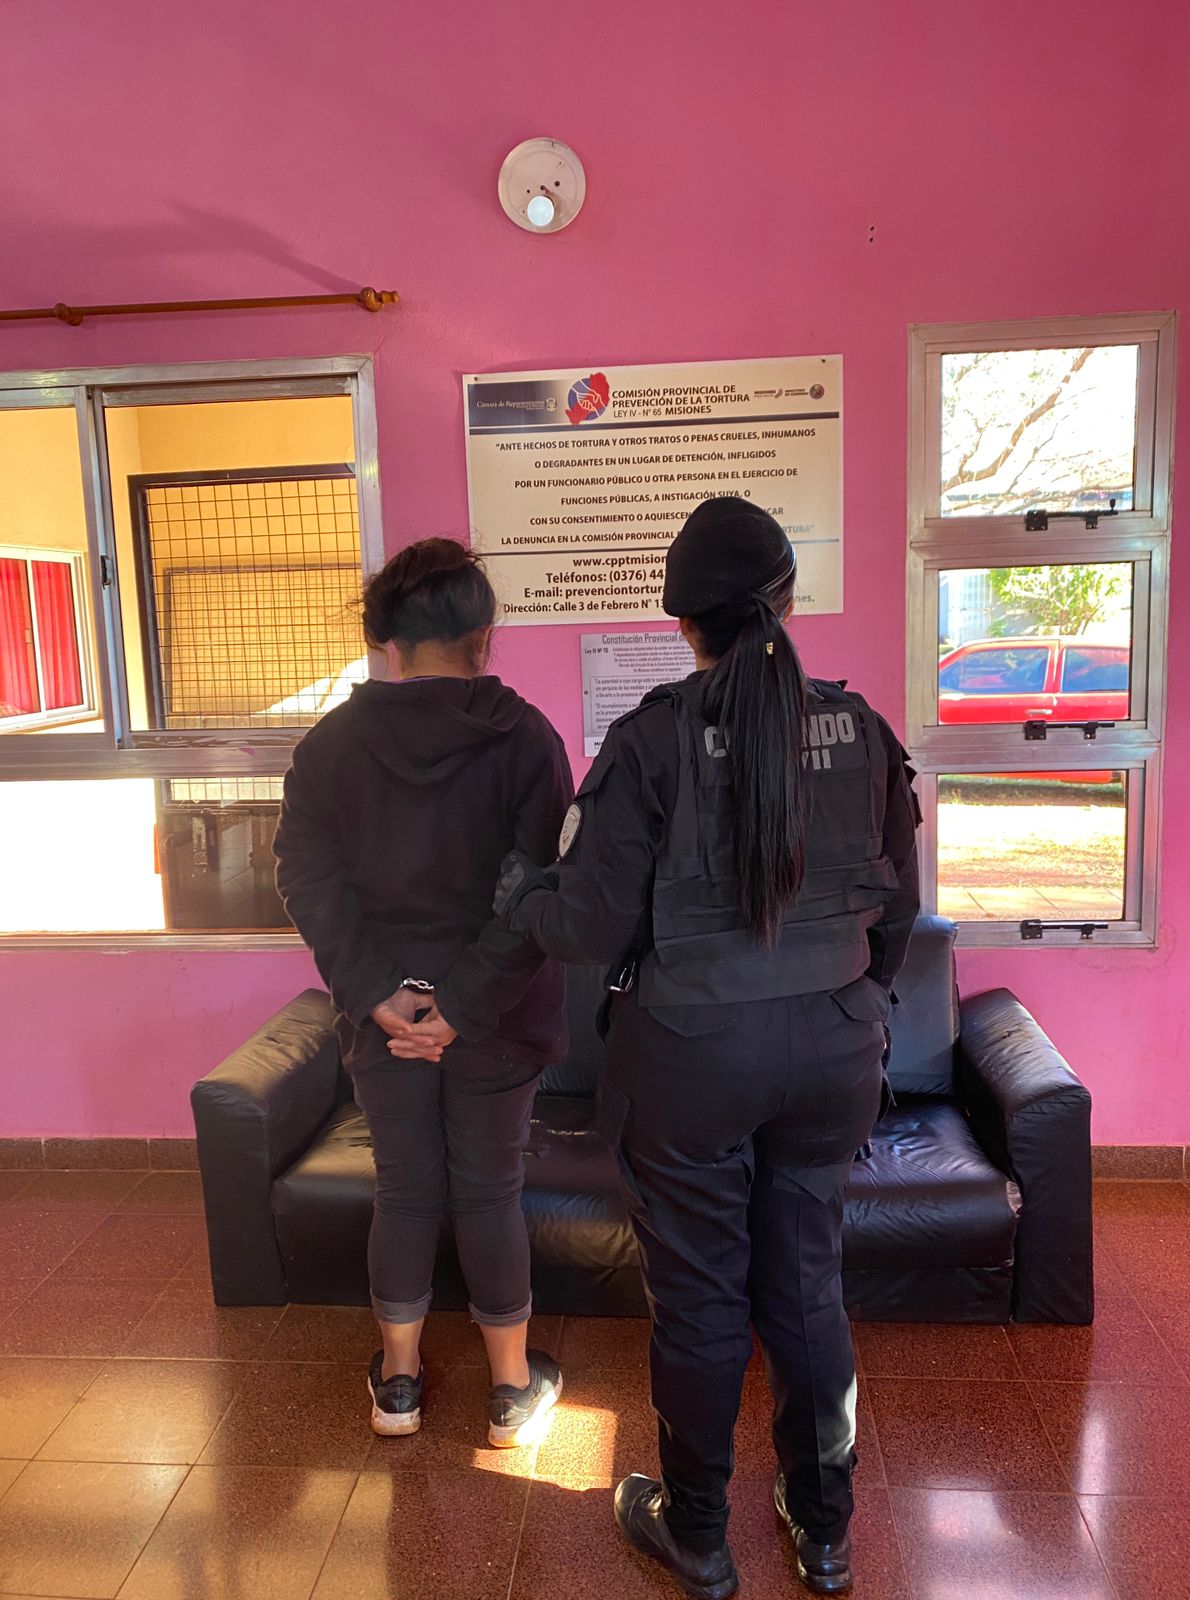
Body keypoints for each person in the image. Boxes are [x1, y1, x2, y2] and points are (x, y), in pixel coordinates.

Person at [404, 498, 921, 1597]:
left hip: (691, 1060)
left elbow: (590, 927)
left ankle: (699, 1534)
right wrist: (856, 1012)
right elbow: (898, 912)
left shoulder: (652, 742)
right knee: (807, 1284)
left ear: (684, 622)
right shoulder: (863, 731)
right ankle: (825, 1529)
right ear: (787, 603)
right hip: (834, 1052)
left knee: (700, 1302)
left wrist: (525, 896)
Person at [274, 537, 571, 1448]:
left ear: (387, 642)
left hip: (386, 1019)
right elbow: (540, 889)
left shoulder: (329, 746)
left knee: (404, 1190)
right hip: (499, 1016)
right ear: (484, 636)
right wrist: (465, 1008)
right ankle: (511, 1392)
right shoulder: (527, 738)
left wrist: (376, 995)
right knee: (489, 1192)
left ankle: (398, 1385)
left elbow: (307, 879)